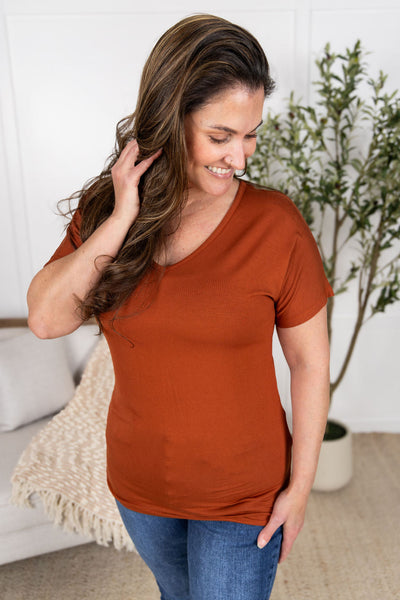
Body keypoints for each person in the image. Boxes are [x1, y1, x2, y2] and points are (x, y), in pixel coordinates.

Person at [27, 13, 333, 600]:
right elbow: (46, 319)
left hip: (244, 493)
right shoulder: (108, 212)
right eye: (221, 137)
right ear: (171, 119)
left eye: (250, 135)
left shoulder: (276, 225)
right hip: (141, 487)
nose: (240, 158)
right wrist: (121, 218)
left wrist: (300, 487)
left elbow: (309, 363)